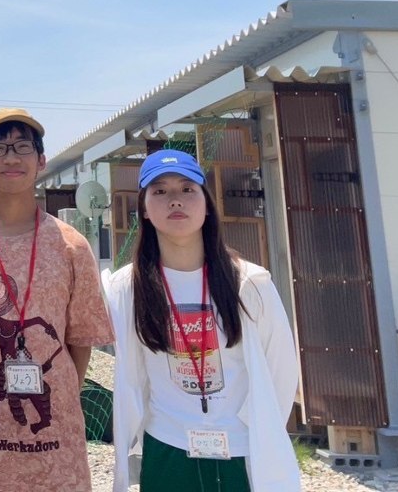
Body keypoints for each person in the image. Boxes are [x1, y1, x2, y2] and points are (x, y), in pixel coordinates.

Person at [0, 108, 114, 492]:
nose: (11, 157)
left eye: (23, 147)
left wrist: (58, 385)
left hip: (56, 457)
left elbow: (80, 340)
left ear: (41, 160)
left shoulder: (71, 246)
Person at [101, 149, 300, 492]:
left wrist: (250, 426)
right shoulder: (126, 288)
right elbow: (132, 375)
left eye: (187, 189)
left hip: (240, 450)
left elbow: (281, 369)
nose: (175, 200)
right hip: (167, 447)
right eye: (160, 191)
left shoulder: (249, 283)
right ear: (144, 209)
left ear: (207, 204)